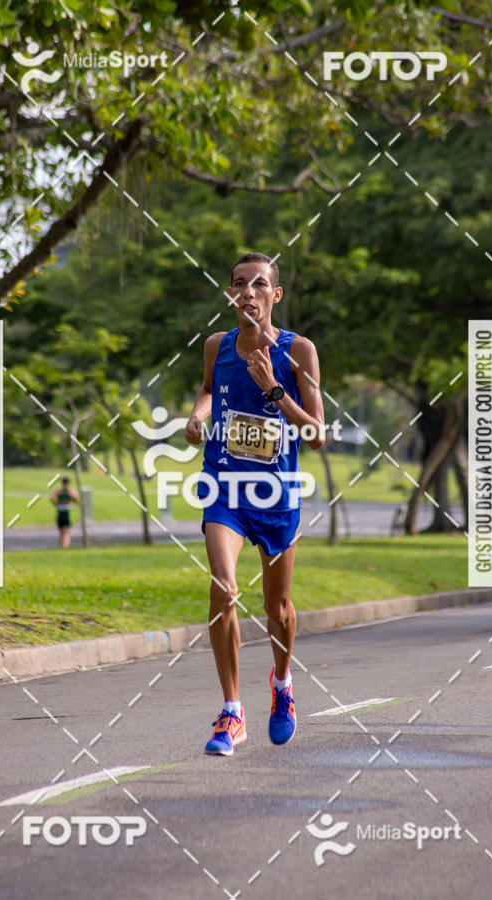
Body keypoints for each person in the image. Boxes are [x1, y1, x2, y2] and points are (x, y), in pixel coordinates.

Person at [185, 252, 326, 756]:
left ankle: (282, 685)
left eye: (259, 283)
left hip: (276, 495)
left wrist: (273, 389)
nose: (248, 291)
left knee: (277, 608)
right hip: (225, 488)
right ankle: (232, 711)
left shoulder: (298, 351)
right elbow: (209, 389)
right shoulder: (217, 346)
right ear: (231, 293)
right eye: (239, 283)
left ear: (275, 295)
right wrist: (199, 415)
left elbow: (316, 435)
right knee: (223, 588)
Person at [50, 476, 80, 548]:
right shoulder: (71, 491)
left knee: (61, 531)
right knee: (66, 531)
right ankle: (65, 547)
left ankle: (61, 546)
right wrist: (74, 502)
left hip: (60, 512)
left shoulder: (59, 491)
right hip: (67, 512)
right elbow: (77, 501)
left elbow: (52, 497)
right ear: (69, 483)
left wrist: (56, 504)